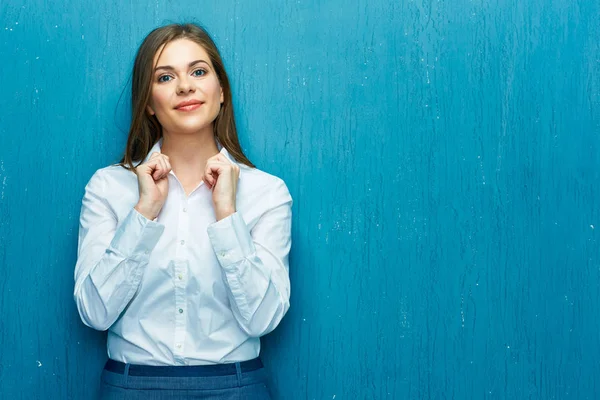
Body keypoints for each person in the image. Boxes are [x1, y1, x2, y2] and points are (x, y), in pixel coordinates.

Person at [73, 23, 292, 399]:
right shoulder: (108, 187)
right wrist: (144, 213)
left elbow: (263, 319)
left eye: (198, 71)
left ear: (221, 91)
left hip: (236, 387)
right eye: (165, 76)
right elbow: (94, 313)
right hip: (131, 386)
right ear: (147, 102)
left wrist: (227, 215)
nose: (185, 86)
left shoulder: (266, 193)